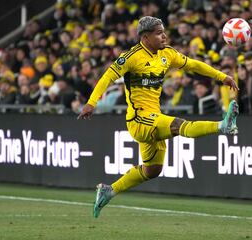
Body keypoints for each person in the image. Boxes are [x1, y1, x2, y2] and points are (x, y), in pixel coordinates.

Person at [77, 16, 239, 218]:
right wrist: (92, 102)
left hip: (154, 117)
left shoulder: (167, 54)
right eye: (159, 33)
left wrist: (222, 77)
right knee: (179, 125)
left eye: (164, 31)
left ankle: (109, 190)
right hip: (138, 120)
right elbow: (107, 77)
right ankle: (222, 126)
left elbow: (194, 65)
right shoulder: (131, 57)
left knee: (152, 170)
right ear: (145, 37)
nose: (164, 36)